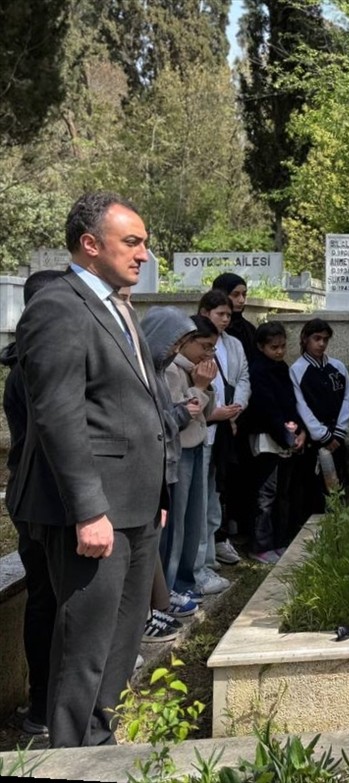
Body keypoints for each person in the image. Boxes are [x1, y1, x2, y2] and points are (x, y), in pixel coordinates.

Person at [10, 192, 168, 746]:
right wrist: (88, 511)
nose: (144, 254)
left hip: (137, 508)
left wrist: (161, 491)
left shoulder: (120, 306)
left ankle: (100, 745)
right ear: (90, 244)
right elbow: (58, 415)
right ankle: (71, 756)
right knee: (85, 647)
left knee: (122, 643)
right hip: (95, 514)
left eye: (144, 243)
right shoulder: (58, 306)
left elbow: (144, 405)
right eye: (133, 242)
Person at [2, 269, 65, 735]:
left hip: (43, 496)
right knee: (46, 599)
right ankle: (43, 705)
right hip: (40, 499)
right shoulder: (32, 366)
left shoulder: (36, 358)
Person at [141, 307, 205, 642]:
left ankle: (161, 601)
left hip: (164, 464)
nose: (176, 350)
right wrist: (181, 412)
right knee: (159, 540)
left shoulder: (160, 369)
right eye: (175, 342)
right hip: (147, 469)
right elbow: (152, 419)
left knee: (171, 531)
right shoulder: (148, 372)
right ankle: (153, 607)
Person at [161, 315, 225, 598]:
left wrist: (205, 387)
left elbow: (206, 415)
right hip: (181, 451)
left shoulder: (194, 369)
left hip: (199, 446)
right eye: (204, 346)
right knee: (177, 522)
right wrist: (198, 387)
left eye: (213, 348)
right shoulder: (171, 370)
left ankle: (189, 578)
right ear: (186, 341)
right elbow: (181, 415)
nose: (208, 354)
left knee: (195, 518)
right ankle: (172, 584)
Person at [244, 322, 307, 563]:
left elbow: (290, 402)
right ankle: (260, 544)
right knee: (265, 495)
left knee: (282, 493)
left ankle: (279, 540)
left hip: (285, 436)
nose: (279, 351)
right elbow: (266, 408)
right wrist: (286, 436)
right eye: (274, 347)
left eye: (282, 346)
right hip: (267, 438)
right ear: (261, 347)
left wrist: (298, 431)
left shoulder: (281, 368)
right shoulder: (258, 370)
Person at [197, 288, 249, 569]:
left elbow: (242, 378)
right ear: (205, 312)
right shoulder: (194, 341)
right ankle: (198, 561)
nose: (226, 319)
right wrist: (214, 411)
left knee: (215, 491)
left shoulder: (234, 344)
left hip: (226, 425)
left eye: (229, 314)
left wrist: (234, 409)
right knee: (199, 495)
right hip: (203, 426)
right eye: (221, 314)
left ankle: (210, 553)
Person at [210, 273, 256, 547]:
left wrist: (236, 408)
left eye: (244, 295)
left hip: (237, 417)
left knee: (232, 477)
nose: (240, 301)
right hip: (211, 417)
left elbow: (244, 376)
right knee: (212, 483)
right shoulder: (200, 335)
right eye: (235, 294)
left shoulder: (242, 335)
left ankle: (230, 530)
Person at [290, 318, 349, 514]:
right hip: (314, 441)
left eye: (325, 339)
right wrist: (322, 434)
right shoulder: (297, 370)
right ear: (305, 339)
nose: (321, 344)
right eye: (316, 339)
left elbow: (348, 400)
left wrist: (339, 432)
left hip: (337, 438)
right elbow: (301, 406)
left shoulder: (338, 367)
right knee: (314, 491)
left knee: (338, 487)